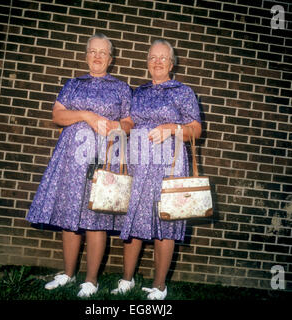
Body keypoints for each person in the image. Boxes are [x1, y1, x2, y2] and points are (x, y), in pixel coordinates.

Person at [26, 33, 133, 298]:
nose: (97, 56)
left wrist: (116, 127)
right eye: (92, 51)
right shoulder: (73, 84)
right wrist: (85, 115)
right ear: (86, 55)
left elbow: (130, 123)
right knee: (69, 215)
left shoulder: (121, 88)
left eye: (103, 52)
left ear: (111, 58)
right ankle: (67, 274)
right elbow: (58, 115)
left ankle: (91, 280)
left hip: (103, 156)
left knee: (96, 215)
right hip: (71, 158)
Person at [111, 39, 202, 300]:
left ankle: (160, 286)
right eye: (153, 57)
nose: (158, 62)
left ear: (172, 63)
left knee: (166, 220)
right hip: (139, 162)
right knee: (135, 218)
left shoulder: (183, 92)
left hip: (169, 164)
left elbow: (196, 130)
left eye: (163, 58)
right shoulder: (138, 92)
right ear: (147, 63)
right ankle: (127, 279)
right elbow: (128, 123)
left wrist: (171, 128)